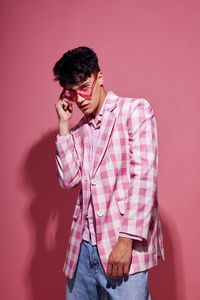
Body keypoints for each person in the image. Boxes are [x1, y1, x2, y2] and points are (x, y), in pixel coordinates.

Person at [53, 46, 165, 300]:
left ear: (99, 76)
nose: (79, 98)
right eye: (71, 92)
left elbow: (144, 179)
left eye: (84, 87)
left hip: (121, 246)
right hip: (81, 251)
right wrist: (63, 125)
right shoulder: (79, 129)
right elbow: (68, 179)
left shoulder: (135, 111)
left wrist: (126, 241)